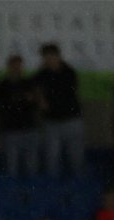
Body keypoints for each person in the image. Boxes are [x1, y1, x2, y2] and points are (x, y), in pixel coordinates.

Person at [33, 44, 85, 178]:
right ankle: (53, 190)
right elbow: (33, 89)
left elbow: (67, 94)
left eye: (52, 57)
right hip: (51, 123)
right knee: (51, 158)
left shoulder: (69, 72)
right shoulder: (41, 74)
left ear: (58, 56)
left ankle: (76, 187)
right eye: (46, 57)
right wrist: (40, 98)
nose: (49, 60)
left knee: (75, 157)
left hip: (71, 120)